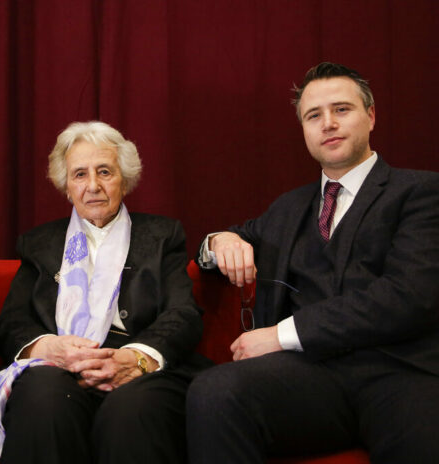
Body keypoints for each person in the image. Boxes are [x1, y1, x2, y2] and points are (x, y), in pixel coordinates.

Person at [187, 62, 439, 463]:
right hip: (311, 379)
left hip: (400, 372)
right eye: (314, 115)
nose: (328, 124)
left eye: (341, 110)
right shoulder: (288, 209)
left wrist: (281, 335)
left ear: (371, 116)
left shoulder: (422, 193)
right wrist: (221, 240)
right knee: (214, 392)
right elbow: (226, 242)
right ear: (304, 129)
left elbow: (409, 297)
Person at [0, 121, 209, 464]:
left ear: (124, 181)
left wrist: (136, 357)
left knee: (130, 410)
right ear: (66, 186)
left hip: (135, 368)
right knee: (43, 397)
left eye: (105, 172)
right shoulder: (39, 244)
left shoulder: (161, 235)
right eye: (80, 174)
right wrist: (49, 347)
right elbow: (10, 322)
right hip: (60, 367)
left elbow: (182, 314)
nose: (93, 186)